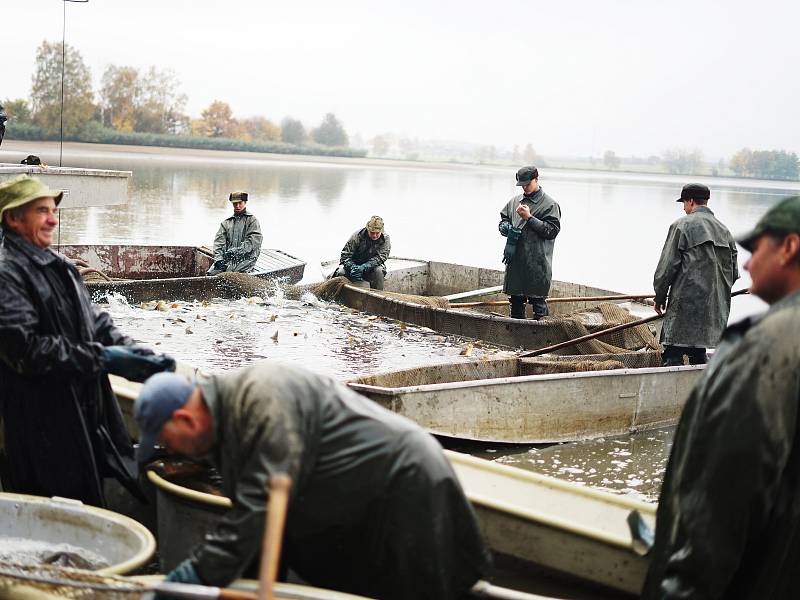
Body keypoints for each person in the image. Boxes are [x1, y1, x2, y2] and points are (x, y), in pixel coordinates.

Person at [134, 362, 490, 600]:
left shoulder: (261, 398)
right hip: (352, 506)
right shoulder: (222, 430)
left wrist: (191, 577)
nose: (171, 450)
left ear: (186, 419)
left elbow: (260, 509)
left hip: (403, 486)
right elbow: (257, 528)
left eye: (167, 441)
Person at [642, 195, 800, 599]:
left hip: (738, 582)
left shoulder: (769, 347)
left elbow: (722, 503)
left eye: (757, 249)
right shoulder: (725, 232)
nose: (748, 263)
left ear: (789, 248)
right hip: (777, 573)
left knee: (674, 351)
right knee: (695, 355)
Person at [0, 174, 176, 507]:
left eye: (53, 210)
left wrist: (132, 350)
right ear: (13, 218)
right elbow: (26, 351)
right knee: (55, 512)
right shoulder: (7, 273)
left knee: (92, 497)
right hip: (41, 424)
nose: (53, 219)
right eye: (42, 211)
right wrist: (105, 359)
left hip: (88, 410)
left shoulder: (60, 265)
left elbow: (94, 321)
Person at [652, 183, 739, 366]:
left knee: (673, 355)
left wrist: (659, 297)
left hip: (684, 308)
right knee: (699, 354)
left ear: (690, 201)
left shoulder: (681, 226)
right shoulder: (725, 231)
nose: (684, 208)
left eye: (683, 203)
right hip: (713, 312)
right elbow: (733, 274)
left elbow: (666, 268)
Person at [499, 166, 561, 319]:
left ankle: (542, 334)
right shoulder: (514, 202)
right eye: (522, 185)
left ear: (536, 179)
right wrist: (506, 228)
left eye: (528, 184)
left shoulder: (550, 205)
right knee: (516, 301)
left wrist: (529, 218)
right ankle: (515, 332)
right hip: (516, 263)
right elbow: (503, 221)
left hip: (538, 264)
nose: (525, 188)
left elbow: (551, 231)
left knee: (538, 302)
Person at [208, 191, 263, 275]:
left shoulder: (252, 220)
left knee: (231, 274)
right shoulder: (226, 223)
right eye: (235, 204)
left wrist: (235, 252)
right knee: (211, 274)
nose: (237, 206)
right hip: (229, 258)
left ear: (245, 203)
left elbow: (254, 243)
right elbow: (218, 244)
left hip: (247, 258)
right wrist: (219, 260)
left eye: (240, 203)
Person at [334, 215, 391, 290]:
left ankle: (377, 295)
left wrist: (365, 266)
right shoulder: (357, 236)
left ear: (381, 231)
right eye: (372, 232)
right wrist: (352, 267)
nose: (374, 235)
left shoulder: (385, 238)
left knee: (379, 271)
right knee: (341, 272)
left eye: (377, 233)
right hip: (353, 266)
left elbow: (382, 257)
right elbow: (345, 256)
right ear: (367, 229)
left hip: (371, 267)